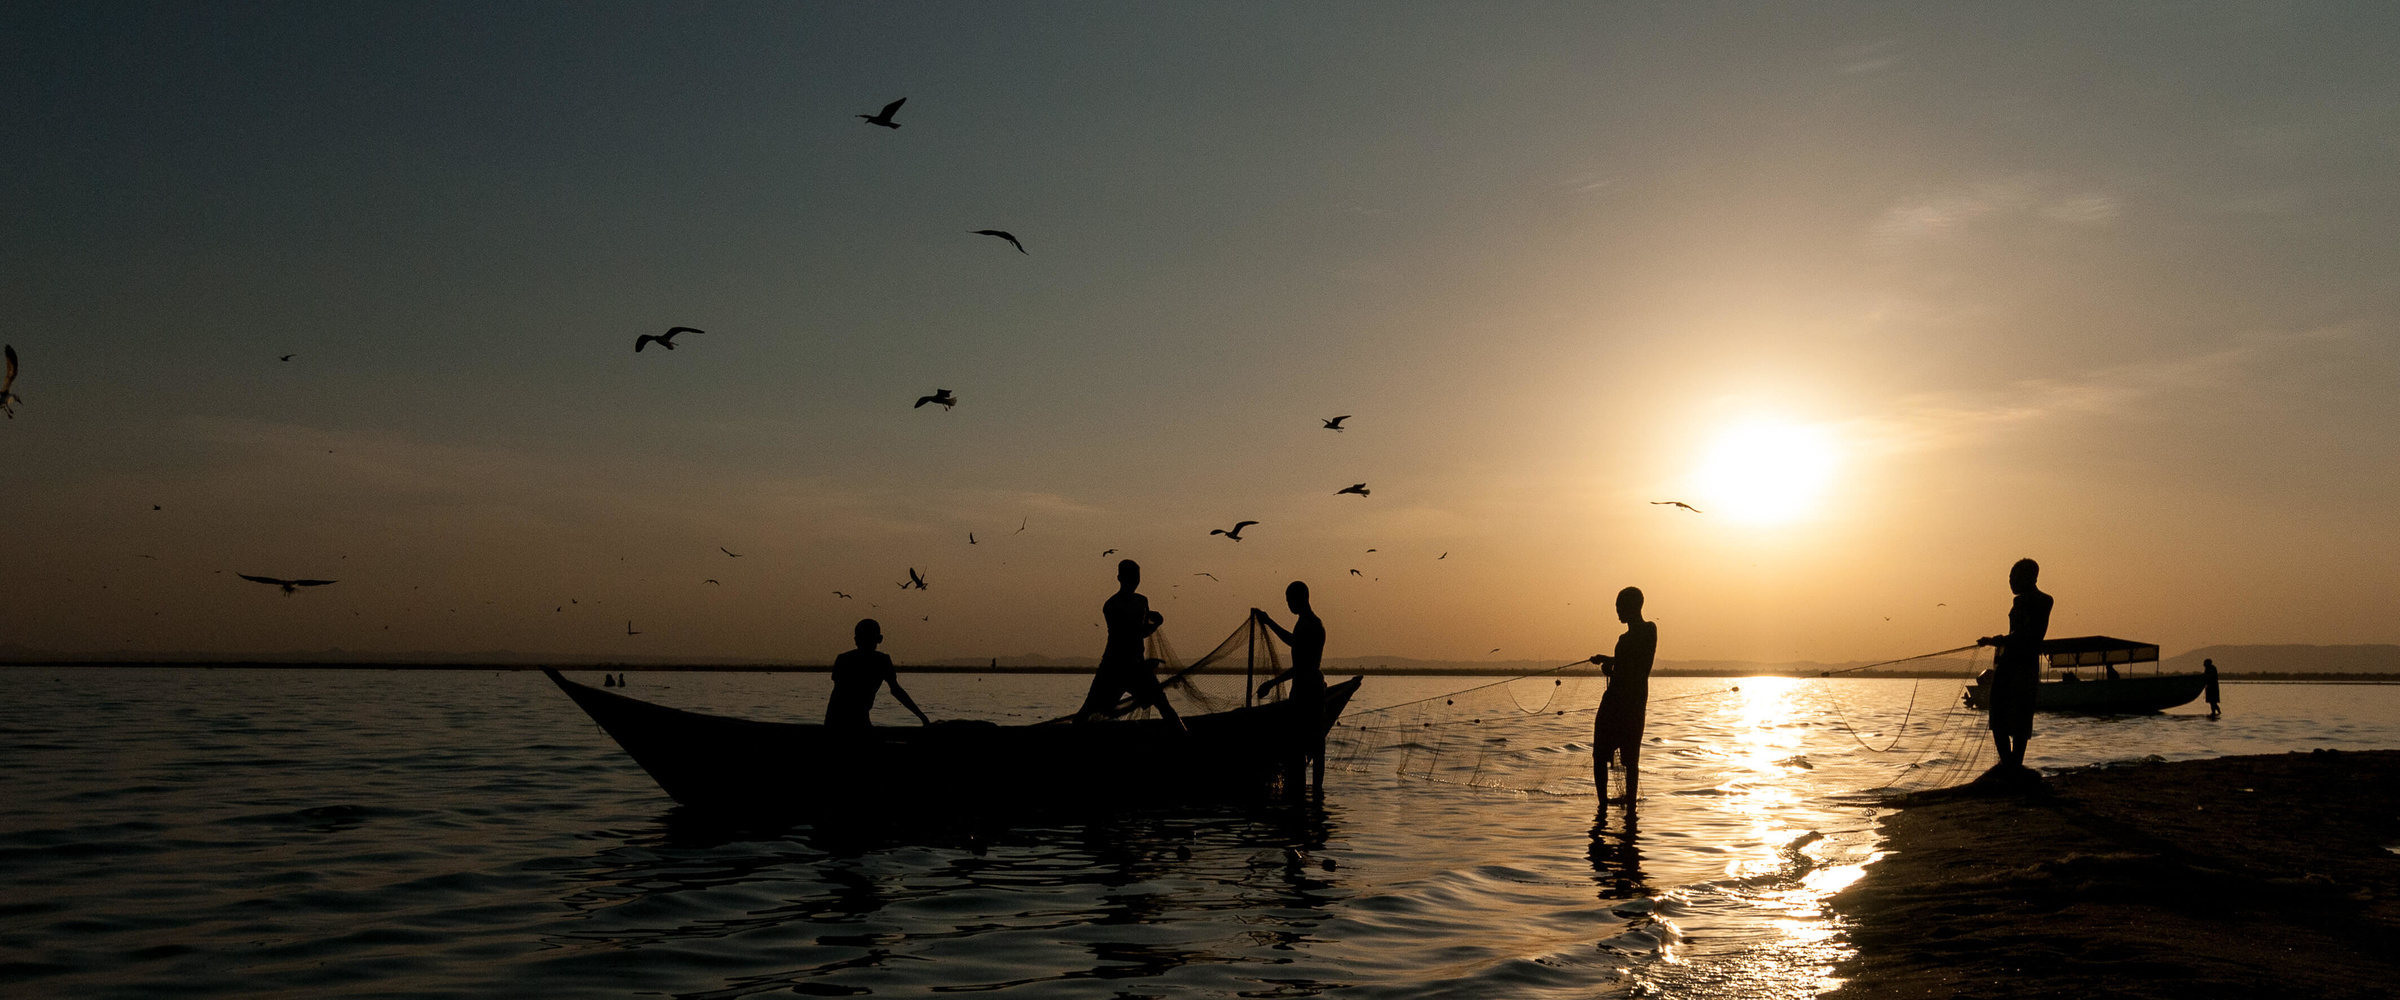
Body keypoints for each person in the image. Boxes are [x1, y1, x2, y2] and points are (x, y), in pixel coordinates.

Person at [1074, 560, 1187, 729]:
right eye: (1131, 577)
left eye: (1137, 577)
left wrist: (1154, 621)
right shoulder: (1111, 605)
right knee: (1088, 711)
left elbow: (1140, 630)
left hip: (1136, 667)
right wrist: (1154, 625)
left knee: (1164, 705)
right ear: (1120, 578)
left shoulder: (1142, 601)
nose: (1134, 581)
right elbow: (1127, 635)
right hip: (1114, 668)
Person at [1975, 558, 2052, 769]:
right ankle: (2011, 765)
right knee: (2012, 717)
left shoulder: (2037, 601)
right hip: (2017, 665)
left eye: (2014, 577)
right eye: (2010, 578)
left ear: (2029, 578)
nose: (2010, 582)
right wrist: (1997, 641)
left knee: (2007, 716)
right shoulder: (2035, 600)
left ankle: (2011, 766)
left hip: (2017, 667)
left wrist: (1996, 640)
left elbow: (2026, 633)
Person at [1586, 586, 1657, 811]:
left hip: (1628, 705)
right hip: (1618, 703)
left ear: (1631, 607)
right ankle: (1604, 806)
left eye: (1619, 607)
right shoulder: (1628, 637)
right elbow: (1628, 661)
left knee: (1628, 759)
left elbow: (1638, 669)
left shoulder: (1648, 630)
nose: (1617, 611)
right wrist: (1608, 659)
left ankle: (1624, 806)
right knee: (1601, 756)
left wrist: (1611, 670)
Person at [1253, 580, 1329, 786]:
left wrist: (1272, 683)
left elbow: (1302, 666)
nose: (1288, 604)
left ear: (1301, 598)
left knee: (1313, 746)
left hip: (1310, 690)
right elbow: (1293, 641)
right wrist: (1268, 621)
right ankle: (1302, 792)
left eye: (1290, 600)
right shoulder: (1302, 623)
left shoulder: (1312, 625)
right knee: (1298, 746)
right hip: (1302, 690)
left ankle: (1316, 794)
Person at [826, 618, 931, 728]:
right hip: (848, 722)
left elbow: (896, 691)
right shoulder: (881, 661)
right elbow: (896, 690)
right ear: (879, 639)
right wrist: (923, 718)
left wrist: (923, 718)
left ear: (856, 640)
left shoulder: (844, 659)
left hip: (838, 722)